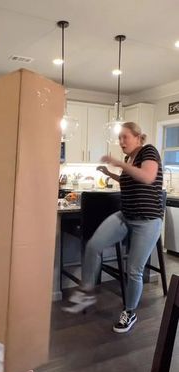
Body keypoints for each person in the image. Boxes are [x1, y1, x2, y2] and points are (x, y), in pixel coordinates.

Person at [64, 122, 164, 333]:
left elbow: (147, 177)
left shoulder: (149, 151)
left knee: (134, 270)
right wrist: (110, 174)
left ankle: (130, 312)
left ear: (138, 137)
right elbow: (130, 180)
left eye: (125, 137)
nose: (121, 142)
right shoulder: (130, 159)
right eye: (119, 138)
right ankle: (87, 292)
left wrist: (118, 163)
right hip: (125, 215)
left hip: (147, 221)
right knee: (93, 245)